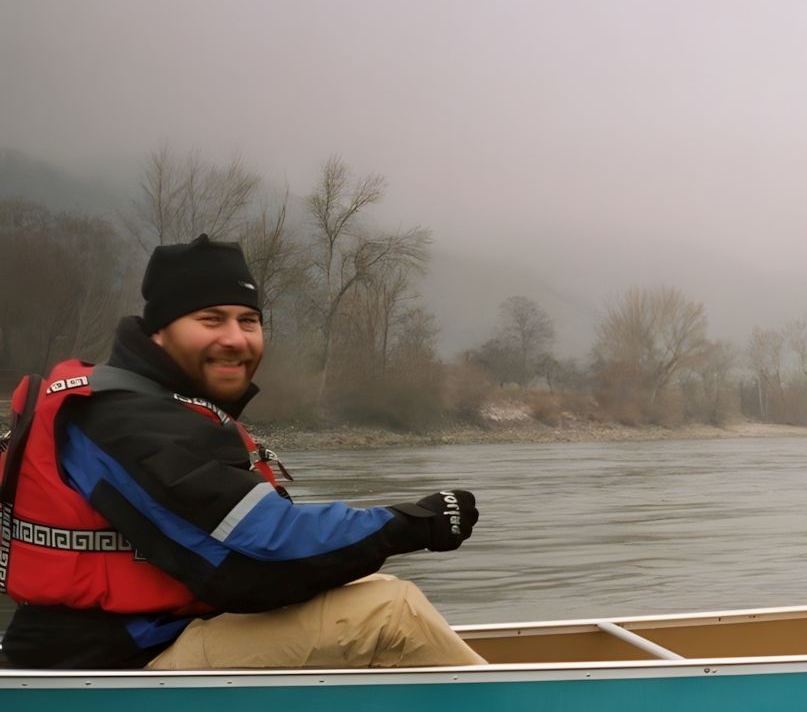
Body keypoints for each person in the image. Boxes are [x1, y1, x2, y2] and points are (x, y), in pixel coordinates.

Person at [0, 234, 488, 669]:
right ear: (158, 332)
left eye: (248, 320)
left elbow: (260, 573)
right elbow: (260, 556)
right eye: (211, 319)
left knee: (374, 593)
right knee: (390, 613)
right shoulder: (119, 418)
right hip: (109, 666)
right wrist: (413, 523)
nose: (235, 338)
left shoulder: (155, 407)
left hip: (148, 640)